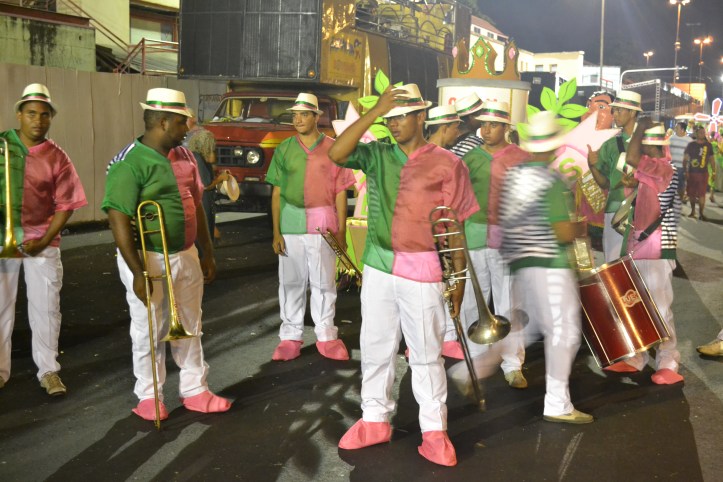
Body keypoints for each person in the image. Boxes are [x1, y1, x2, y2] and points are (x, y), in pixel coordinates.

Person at [329, 84, 479, 466]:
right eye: (389, 117)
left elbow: (454, 227)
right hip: (378, 266)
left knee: (426, 355)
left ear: (421, 116)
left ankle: (435, 432)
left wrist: (458, 280)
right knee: (375, 347)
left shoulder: (449, 163)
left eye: (400, 116)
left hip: (424, 269)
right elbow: (336, 153)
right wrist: (374, 111)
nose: (393, 123)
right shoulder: (378, 152)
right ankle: (374, 419)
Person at [103, 88, 231, 422]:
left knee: (190, 322)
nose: (187, 128)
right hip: (148, 257)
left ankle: (195, 390)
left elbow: (197, 205)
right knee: (148, 327)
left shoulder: (186, 156)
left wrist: (207, 252)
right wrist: (137, 271)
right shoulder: (128, 162)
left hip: (186, 253)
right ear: (162, 122)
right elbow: (118, 218)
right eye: (181, 122)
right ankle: (149, 396)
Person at [500, 111, 592, 423]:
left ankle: (476, 365)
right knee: (565, 333)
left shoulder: (514, 176)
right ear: (553, 147)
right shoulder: (551, 181)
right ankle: (557, 403)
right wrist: (581, 228)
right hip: (551, 264)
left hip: (522, 264)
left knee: (534, 326)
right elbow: (562, 232)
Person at [0, 83, 87, 396]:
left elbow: (67, 205)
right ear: (19, 115)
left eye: (45, 115)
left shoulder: (57, 157)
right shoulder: (2, 146)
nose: (38, 120)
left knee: (46, 309)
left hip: (42, 241)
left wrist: (45, 239)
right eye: (31, 114)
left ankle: (49, 371)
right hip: (2, 239)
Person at [267, 93, 355, 362]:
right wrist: (276, 232)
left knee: (324, 282)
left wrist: (341, 231)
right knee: (290, 283)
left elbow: (341, 192)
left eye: (304, 114)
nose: (298, 119)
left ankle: (326, 335)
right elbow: (276, 192)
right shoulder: (284, 149)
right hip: (290, 224)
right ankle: (290, 336)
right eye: (294, 115)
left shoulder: (334, 148)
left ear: (317, 117)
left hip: (323, 225)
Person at [453, 101, 529, 389]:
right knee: (473, 299)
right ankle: (475, 359)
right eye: (484, 124)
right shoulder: (470, 158)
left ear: (506, 127)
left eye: (493, 125)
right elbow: (458, 197)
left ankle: (513, 364)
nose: (486, 130)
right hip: (473, 233)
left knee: (509, 300)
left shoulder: (521, 157)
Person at [602, 120, 683, 385]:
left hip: (658, 247)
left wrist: (639, 127)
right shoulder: (650, 169)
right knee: (636, 304)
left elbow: (632, 158)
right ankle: (637, 356)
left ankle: (668, 360)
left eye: (643, 143)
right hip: (638, 245)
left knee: (660, 307)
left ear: (653, 146)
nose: (638, 148)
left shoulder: (664, 168)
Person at [424, 105, 465, 359]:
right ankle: (437, 339)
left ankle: (447, 337)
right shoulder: (443, 159)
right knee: (435, 291)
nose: (457, 133)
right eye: (456, 127)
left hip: (439, 233)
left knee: (443, 289)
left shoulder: (444, 157)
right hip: (434, 236)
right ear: (445, 127)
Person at [588, 90, 641, 263]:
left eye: (619, 110)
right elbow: (604, 184)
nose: (615, 114)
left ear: (632, 113)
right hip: (616, 213)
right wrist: (593, 166)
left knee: (640, 266)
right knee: (614, 264)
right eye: (614, 110)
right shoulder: (610, 145)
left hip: (643, 212)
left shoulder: (649, 143)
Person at [185, 110, 227, 244]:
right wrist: (221, 179)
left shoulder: (196, 157)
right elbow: (205, 185)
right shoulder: (198, 159)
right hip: (203, 203)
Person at [684, 126, 714, 220]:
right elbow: (685, 159)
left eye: (703, 132)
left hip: (703, 174)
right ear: (696, 134)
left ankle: (701, 213)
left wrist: (714, 172)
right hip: (692, 173)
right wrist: (686, 171)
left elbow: (711, 159)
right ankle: (693, 211)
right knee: (691, 194)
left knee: (702, 194)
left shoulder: (708, 145)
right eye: (700, 132)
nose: (702, 134)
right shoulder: (691, 145)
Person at [449, 92, 485, 158]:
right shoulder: (475, 143)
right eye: (481, 113)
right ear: (471, 117)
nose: (484, 117)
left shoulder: (449, 140)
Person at [668, 122, 690, 203]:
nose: (675, 129)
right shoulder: (671, 138)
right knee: (671, 185)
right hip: (672, 166)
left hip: (682, 167)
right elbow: (667, 151)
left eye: (677, 128)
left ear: (682, 130)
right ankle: (672, 201)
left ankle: (679, 200)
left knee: (681, 185)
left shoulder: (689, 141)